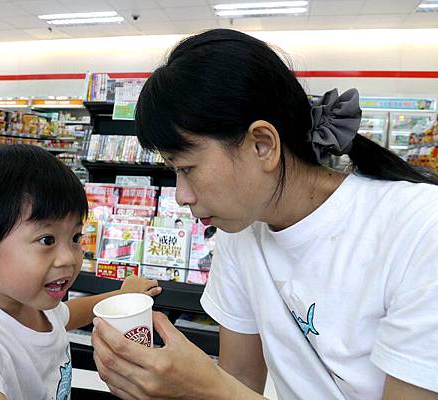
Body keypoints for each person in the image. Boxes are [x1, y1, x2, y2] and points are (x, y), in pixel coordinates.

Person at [91, 29, 438, 400]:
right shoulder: (240, 233)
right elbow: (242, 381)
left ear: (262, 145)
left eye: (187, 168)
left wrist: (207, 387)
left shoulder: (419, 228)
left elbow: (229, 390)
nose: (181, 196)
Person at [0, 145, 161, 400]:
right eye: (47, 240)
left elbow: (67, 315)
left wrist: (120, 296)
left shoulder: (29, 298)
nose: (69, 258)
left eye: (75, 237)